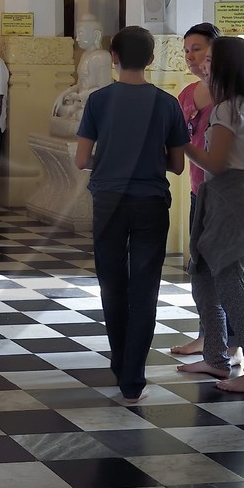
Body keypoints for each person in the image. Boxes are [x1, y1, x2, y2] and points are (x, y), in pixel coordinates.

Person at [71, 26, 190, 404]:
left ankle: (119, 360)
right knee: (145, 287)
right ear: (152, 60)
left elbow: (81, 159)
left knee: (112, 283)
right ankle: (133, 377)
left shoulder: (98, 101)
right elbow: (178, 165)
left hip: (108, 201)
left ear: (115, 59)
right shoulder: (168, 103)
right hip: (151, 202)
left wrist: (108, 161)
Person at [180, 36, 244, 395]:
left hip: (228, 199)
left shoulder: (226, 110)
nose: (203, 64)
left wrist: (178, 143)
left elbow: (216, 163)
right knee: (204, 276)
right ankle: (216, 357)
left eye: (210, 60)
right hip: (235, 199)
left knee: (231, 288)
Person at [170, 24, 231, 358]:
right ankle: (209, 334)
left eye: (198, 49)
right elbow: (176, 141)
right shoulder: (186, 94)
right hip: (198, 191)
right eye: (187, 50)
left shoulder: (230, 98)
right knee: (201, 269)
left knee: (225, 272)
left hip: (225, 194)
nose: (191, 57)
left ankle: (228, 342)